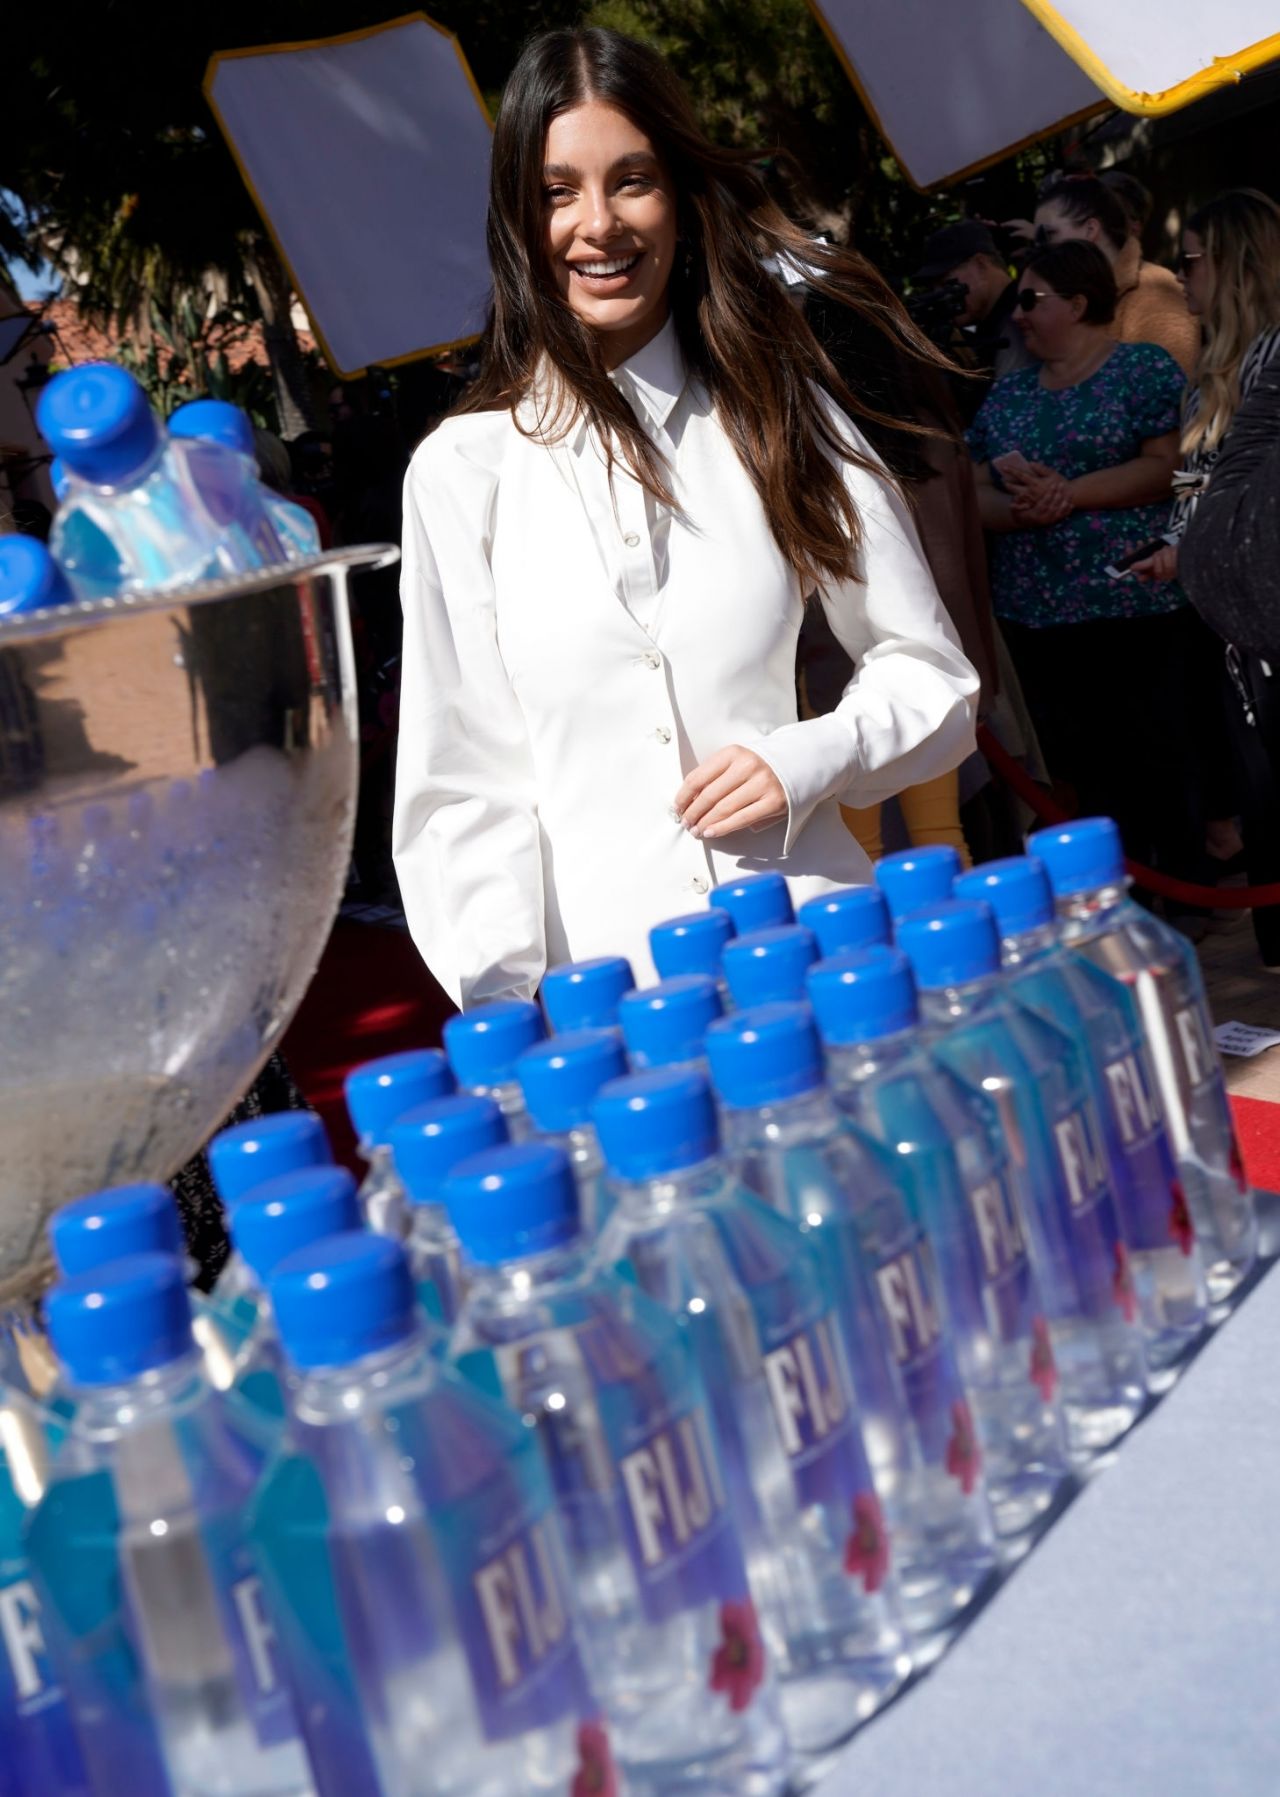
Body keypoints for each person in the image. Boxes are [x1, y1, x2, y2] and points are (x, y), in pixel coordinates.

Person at [392, 27, 978, 1005]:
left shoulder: (777, 411)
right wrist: (516, 1016)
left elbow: (934, 680)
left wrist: (812, 752)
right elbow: (460, 789)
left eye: (631, 180)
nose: (597, 224)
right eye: (556, 192)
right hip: (612, 1020)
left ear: (679, 199)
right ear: (515, 218)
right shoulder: (463, 473)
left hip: (820, 972)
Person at [967, 241, 1208, 892]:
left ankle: (1184, 887)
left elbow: (1168, 470)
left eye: (1031, 299)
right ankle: (1112, 890)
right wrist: (1028, 507)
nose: (1017, 314)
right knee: (1081, 765)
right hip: (1039, 617)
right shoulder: (1008, 395)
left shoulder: (1142, 368)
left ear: (1077, 303)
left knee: (1157, 752)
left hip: (1137, 605)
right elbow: (968, 490)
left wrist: (1066, 493)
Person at [1140, 191, 1280, 964]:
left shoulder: (1277, 358)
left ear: (1235, 263)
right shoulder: (1207, 376)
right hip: (1230, 632)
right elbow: (1198, 500)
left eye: (1190, 259)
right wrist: (1175, 549)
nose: (1181, 275)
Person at [1034, 174, 1200, 375]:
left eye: (1048, 235)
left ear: (1090, 230)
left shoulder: (1158, 294)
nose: (1040, 249)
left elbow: (1169, 393)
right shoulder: (1070, 299)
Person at [914, 219, 1035, 392]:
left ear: (981, 264)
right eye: (933, 288)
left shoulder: (1025, 312)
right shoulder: (985, 328)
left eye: (946, 283)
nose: (940, 295)